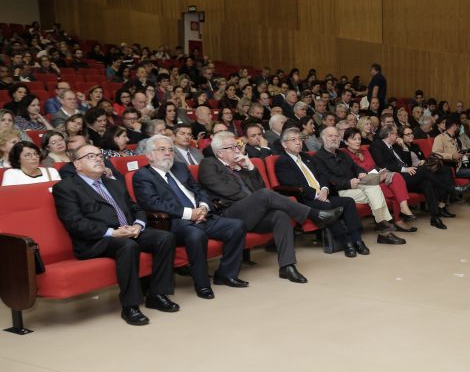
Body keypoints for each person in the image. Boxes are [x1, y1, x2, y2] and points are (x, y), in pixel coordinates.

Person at [52, 144, 178, 326]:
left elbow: (136, 208)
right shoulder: (66, 188)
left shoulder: (113, 183)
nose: (97, 159)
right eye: (90, 156)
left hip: (127, 231)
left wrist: (138, 225)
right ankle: (130, 306)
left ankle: (157, 295)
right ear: (77, 164)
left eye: (99, 155)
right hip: (96, 239)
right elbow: (75, 223)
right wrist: (113, 232)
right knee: (128, 246)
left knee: (165, 238)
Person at [197, 130, 342, 284]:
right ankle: (314, 214)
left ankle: (287, 266)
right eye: (232, 147)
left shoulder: (241, 165)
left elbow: (260, 187)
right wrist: (256, 200)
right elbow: (227, 191)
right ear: (220, 153)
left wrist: (250, 167)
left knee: (281, 215)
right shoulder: (209, 164)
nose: (237, 150)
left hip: (253, 212)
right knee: (265, 195)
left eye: (237, 146)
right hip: (229, 213)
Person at [133, 135, 248, 300]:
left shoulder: (180, 167)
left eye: (171, 150)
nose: (168, 153)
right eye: (162, 149)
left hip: (202, 216)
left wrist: (203, 207)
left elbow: (199, 189)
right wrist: (189, 214)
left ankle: (225, 274)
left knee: (237, 226)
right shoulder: (142, 176)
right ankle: (202, 285)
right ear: (150, 155)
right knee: (196, 235)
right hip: (175, 223)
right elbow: (153, 204)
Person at [274, 127, 369, 257]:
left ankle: (357, 239)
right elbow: (294, 184)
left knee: (348, 202)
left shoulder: (306, 157)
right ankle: (346, 242)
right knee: (327, 206)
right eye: (293, 140)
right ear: (284, 144)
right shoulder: (282, 162)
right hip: (305, 200)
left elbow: (322, 175)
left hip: (323, 194)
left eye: (300, 139)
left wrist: (324, 189)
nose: (298, 142)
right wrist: (316, 195)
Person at [312, 126, 409, 243]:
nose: (334, 138)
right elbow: (326, 179)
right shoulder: (318, 157)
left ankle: (384, 229)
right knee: (375, 191)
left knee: (374, 189)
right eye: (330, 136)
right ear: (322, 139)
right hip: (338, 192)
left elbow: (356, 167)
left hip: (356, 186)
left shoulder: (342, 154)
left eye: (336, 136)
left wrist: (361, 173)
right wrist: (347, 183)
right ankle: (384, 228)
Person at [371, 124, 452, 229]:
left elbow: (406, 162)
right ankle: (450, 188)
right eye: (396, 134)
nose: (397, 136)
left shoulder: (395, 146)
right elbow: (382, 164)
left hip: (406, 175)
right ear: (390, 134)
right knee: (425, 169)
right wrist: (404, 169)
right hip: (396, 178)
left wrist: (404, 147)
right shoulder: (377, 145)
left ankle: (435, 217)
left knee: (427, 183)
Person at [433, 117, 470, 207]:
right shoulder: (440, 138)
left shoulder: (455, 139)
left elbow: (461, 153)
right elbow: (435, 154)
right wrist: (451, 156)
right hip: (451, 168)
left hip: (461, 164)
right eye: (458, 126)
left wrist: (469, 154)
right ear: (454, 126)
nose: (460, 128)